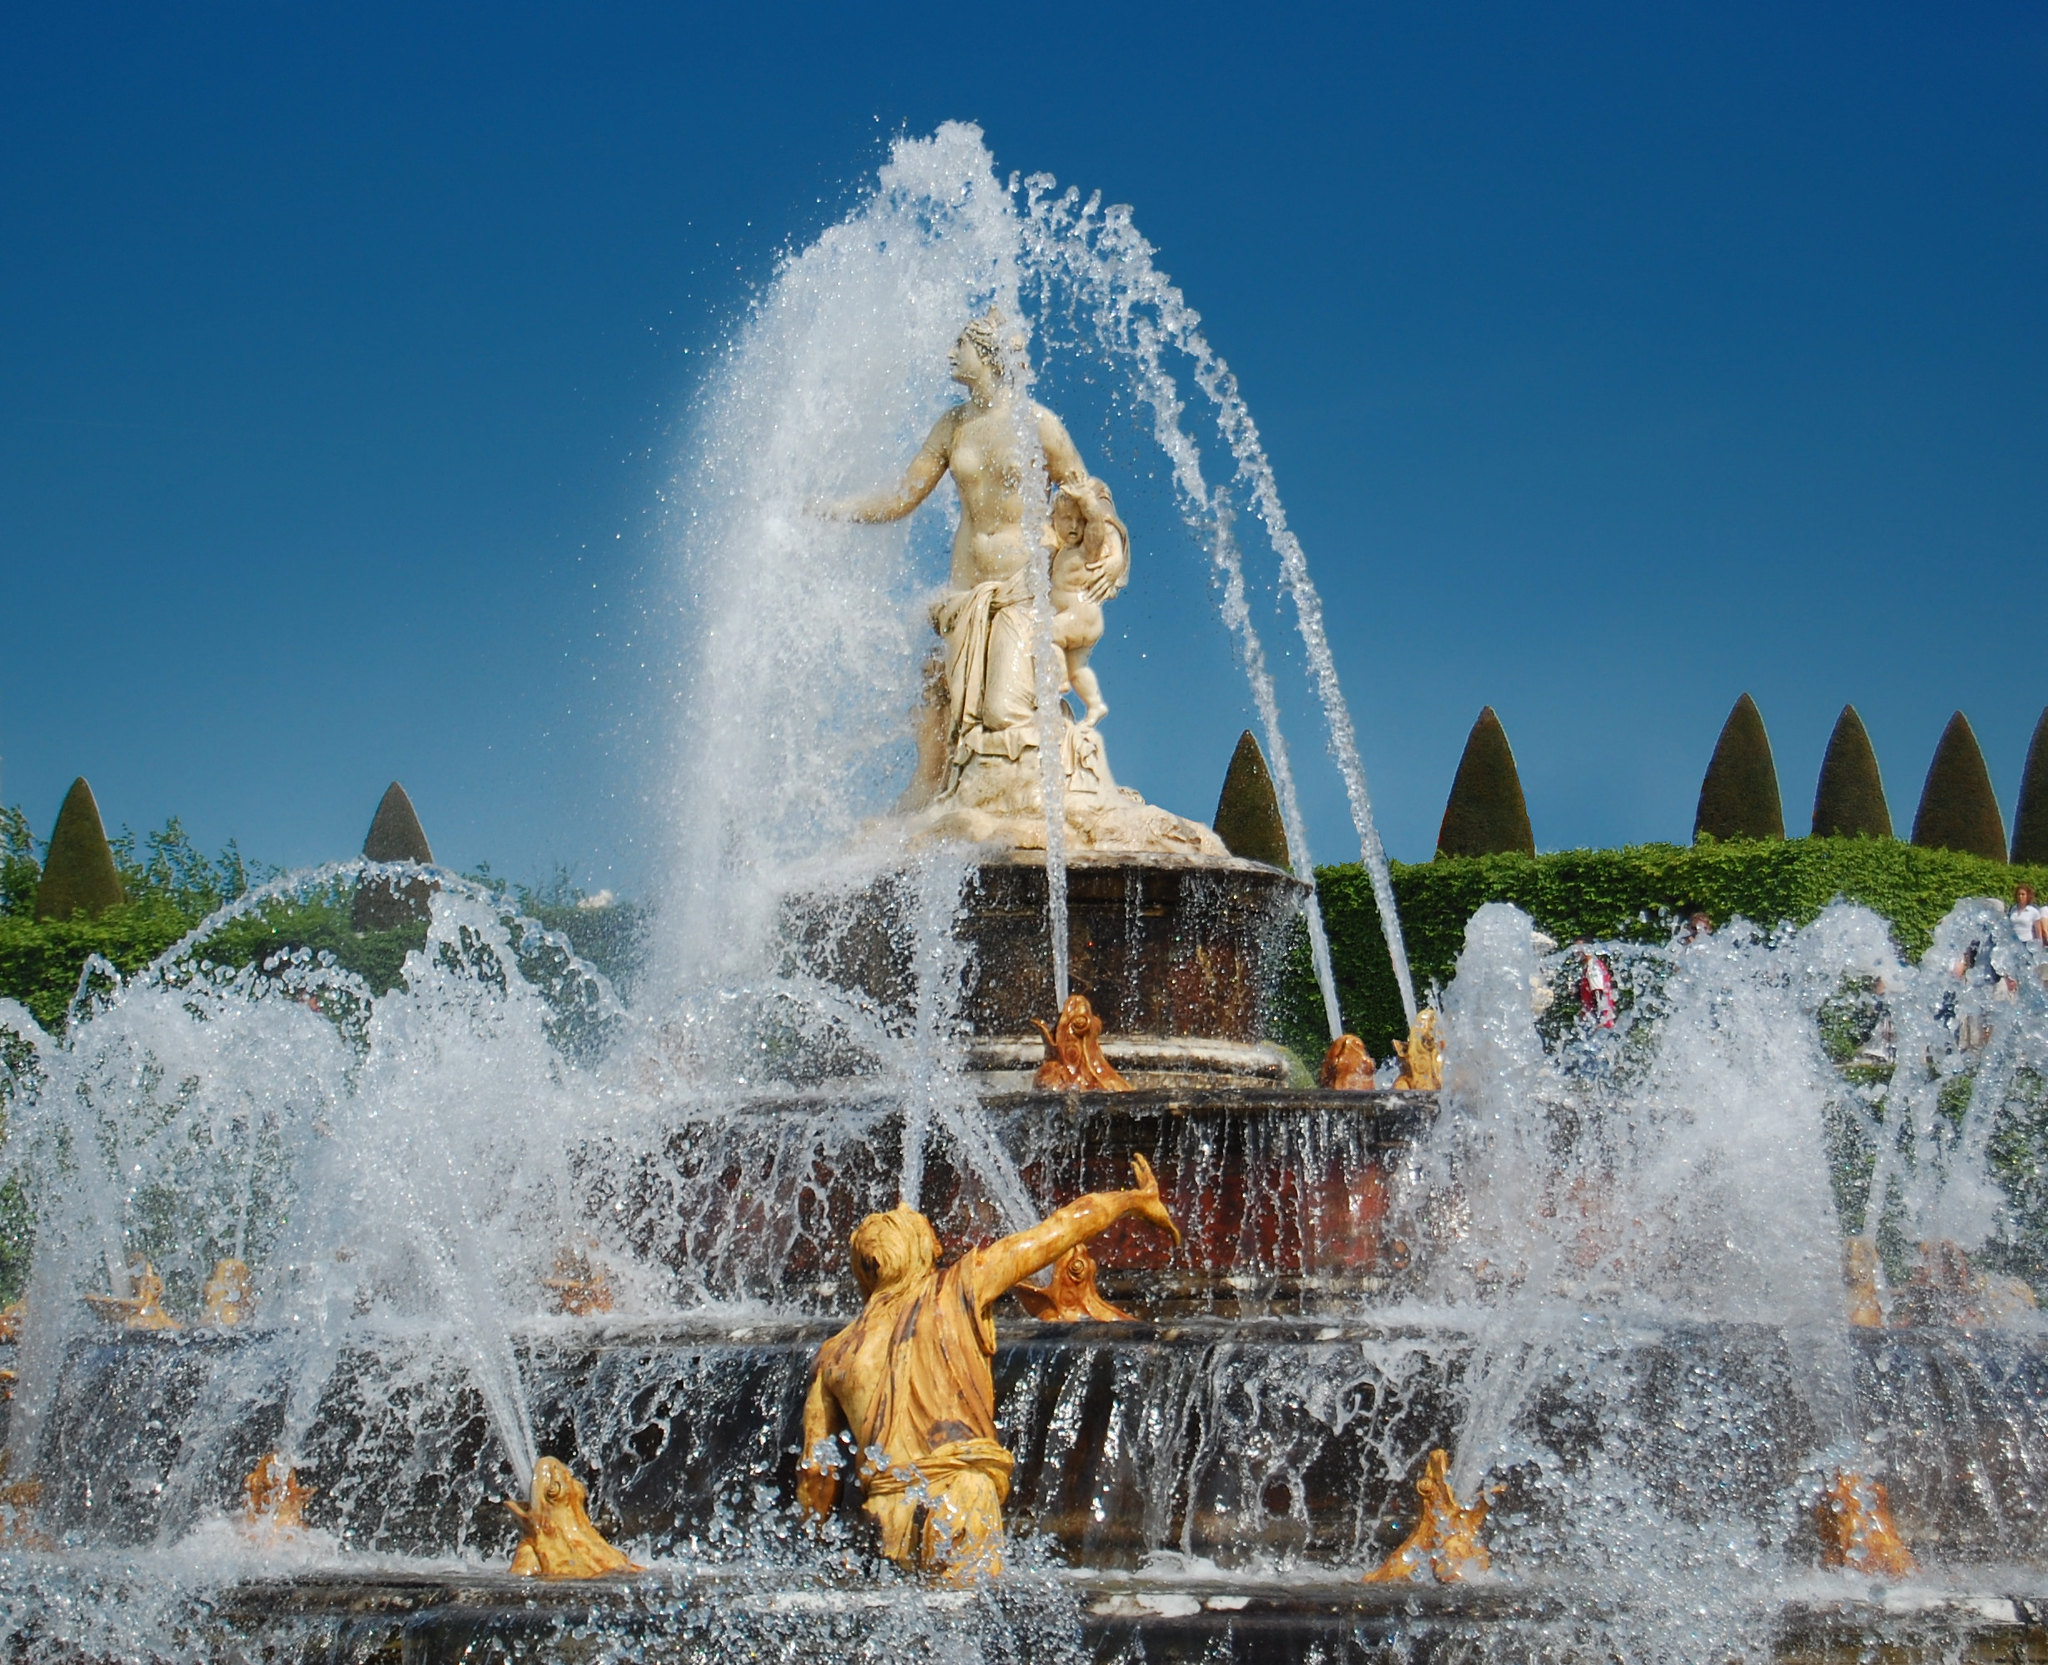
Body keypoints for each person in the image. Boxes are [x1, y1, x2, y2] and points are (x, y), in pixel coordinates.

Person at [797, 1156, 1180, 1581]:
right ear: (929, 1250)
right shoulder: (960, 1286)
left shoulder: (835, 1353)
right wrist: (1134, 1199)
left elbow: (816, 1470)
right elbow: (1062, 1228)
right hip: (961, 1495)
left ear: (865, 1270)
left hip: (883, 1514)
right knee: (966, 1625)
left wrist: (815, 1546)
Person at [1045, 479, 1129, 728]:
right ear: (1054, 520)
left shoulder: (1086, 550)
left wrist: (1087, 502)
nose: (1074, 525)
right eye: (1066, 519)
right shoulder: (1063, 551)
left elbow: (1096, 523)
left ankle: (1058, 680)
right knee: (1078, 669)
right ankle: (1094, 705)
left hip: (1081, 615)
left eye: (1079, 520)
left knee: (1044, 634)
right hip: (1084, 622)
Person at [1576, 942, 1617, 1029]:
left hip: (1601, 1022)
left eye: (1580, 948)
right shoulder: (1593, 965)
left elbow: (1598, 992)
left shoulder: (1593, 967)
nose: (1577, 952)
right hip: (1600, 1020)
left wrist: (1600, 1019)